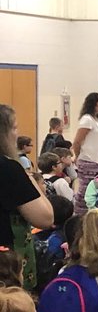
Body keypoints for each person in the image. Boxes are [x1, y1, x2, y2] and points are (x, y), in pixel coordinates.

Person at [0, 105, 53, 294]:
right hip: (6, 267)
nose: (17, 134)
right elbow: (45, 218)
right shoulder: (8, 168)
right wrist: (28, 176)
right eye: (14, 128)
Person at [71, 93, 98, 215]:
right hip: (88, 160)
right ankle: (80, 216)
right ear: (92, 104)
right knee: (86, 192)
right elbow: (77, 141)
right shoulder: (87, 119)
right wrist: (77, 156)